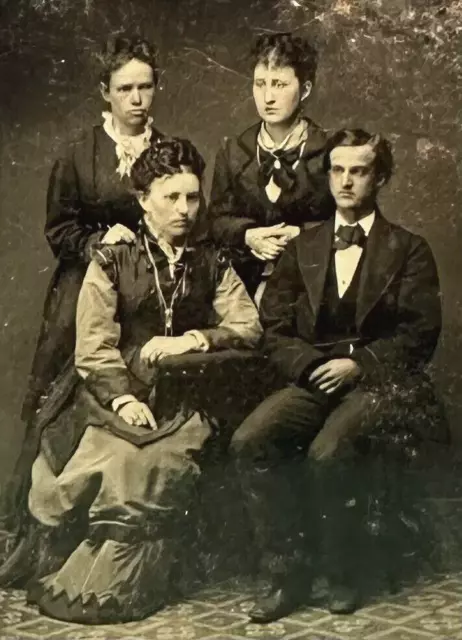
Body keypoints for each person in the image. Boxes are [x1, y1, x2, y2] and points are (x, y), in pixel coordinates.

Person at [0, 137, 261, 623]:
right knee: (112, 456)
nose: (185, 209)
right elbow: (94, 347)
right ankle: (87, 574)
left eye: (192, 197)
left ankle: (133, 579)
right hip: (113, 392)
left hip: (189, 397)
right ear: (144, 200)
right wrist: (121, 399)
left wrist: (195, 339)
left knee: (152, 463)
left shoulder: (212, 261)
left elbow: (248, 327)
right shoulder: (114, 258)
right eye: (171, 198)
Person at [230, 129, 450, 622]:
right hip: (313, 378)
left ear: (381, 177)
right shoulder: (301, 246)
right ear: (327, 175)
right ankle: (287, 573)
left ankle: (340, 571)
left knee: (328, 454)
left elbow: (419, 335)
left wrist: (359, 365)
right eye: (337, 170)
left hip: (377, 382)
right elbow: (274, 328)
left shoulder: (408, 249)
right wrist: (310, 366)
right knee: (250, 441)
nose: (346, 181)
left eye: (360, 170)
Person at [2, 35, 170, 536]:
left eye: (145, 87)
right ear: (106, 92)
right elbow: (59, 229)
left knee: (147, 378)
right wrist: (100, 241)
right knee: (61, 388)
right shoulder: (79, 154)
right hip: (85, 283)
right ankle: (39, 518)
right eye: (125, 89)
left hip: (149, 284)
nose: (137, 100)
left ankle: (128, 508)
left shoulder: (167, 149)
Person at [209, 32, 333, 301]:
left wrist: (299, 235)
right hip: (243, 284)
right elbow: (216, 220)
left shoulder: (328, 152)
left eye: (279, 84)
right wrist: (247, 235)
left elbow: (348, 221)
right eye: (260, 83)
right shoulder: (234, 151)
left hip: (311, 288)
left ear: (306, 89)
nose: (268, 97)